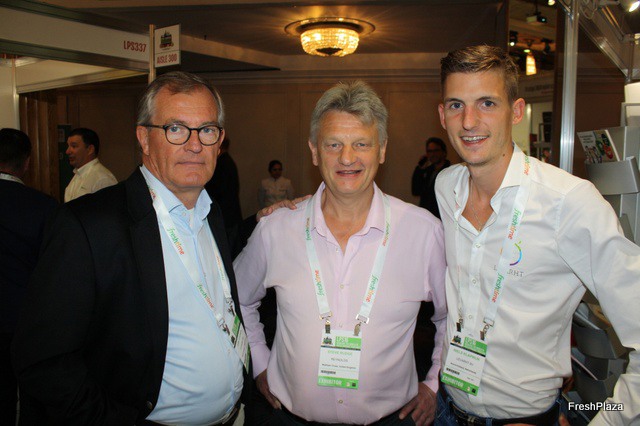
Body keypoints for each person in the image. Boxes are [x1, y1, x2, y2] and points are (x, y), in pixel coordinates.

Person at [12, 71, 250, 425]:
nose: (195, 144)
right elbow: (44, 360)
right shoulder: (89, 226)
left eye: (207, 130)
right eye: (176, 129)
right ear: (144, 138)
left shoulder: (210, 214)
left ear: (220, 140)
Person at [434, 45, 640, 425]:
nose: (469, 121)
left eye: (487, 103)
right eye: (456, 105)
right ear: (442, 115)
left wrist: (607, 420)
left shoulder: (569, 203)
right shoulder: (446, 187)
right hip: (447, 409)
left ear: (516, 112)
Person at [236, 80, 447, 426]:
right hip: (289, 420)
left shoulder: (423, 232)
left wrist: (434, 382)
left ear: (382, 150)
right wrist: (260, 363)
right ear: (314, 151)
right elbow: (237, 300)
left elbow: (452, 317)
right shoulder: (277, 230)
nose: (347, 158)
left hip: (392, 420)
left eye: (361, 144)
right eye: (333, 144)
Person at [0, 128, 57, 426]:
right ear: (27, 162)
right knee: (34, 398)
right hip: (26, 319)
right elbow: (54, 269)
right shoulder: (44, 207)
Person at [205, 137, 244, 257]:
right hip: (230, 214)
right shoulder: (227, 161)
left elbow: (217, 190)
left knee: (226, 253)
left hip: (225, 215)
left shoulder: (222, 163)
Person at [64, 127, 117, 202]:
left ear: (90, 149)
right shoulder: (77, 175)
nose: (67, 151)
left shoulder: (103, 179)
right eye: (68, 146)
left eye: (74, 146)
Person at [411, 137, 450, 218]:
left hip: (441, 217)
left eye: (436, 151)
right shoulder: (427, 171)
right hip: (426, 217)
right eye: (429, 151)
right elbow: (415, 191)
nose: (432, 154)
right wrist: (419, 169)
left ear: (444, 152)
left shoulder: (450, 172)